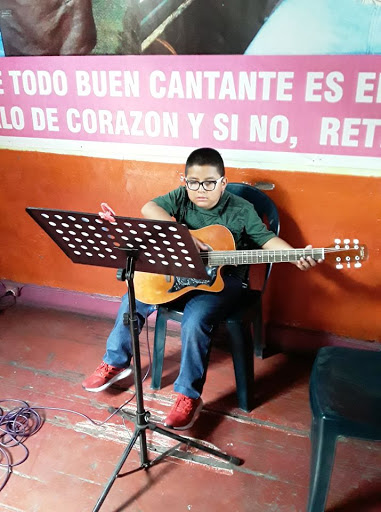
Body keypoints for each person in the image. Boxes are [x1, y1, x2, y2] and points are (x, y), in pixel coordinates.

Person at [82, 148, 321, 430]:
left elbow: (267, 240)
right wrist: (185, 235)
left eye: (209, 183)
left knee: (196, 319)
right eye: (193, 183)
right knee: (132, 298)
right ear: (185, 181)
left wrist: (294, 254)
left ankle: (188, 396)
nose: (200, 190)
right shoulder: (181, 197)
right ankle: (116, 362)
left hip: (225, 283)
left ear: (222, 182)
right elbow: (150, 208)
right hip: (181, 278)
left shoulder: (242, 210)